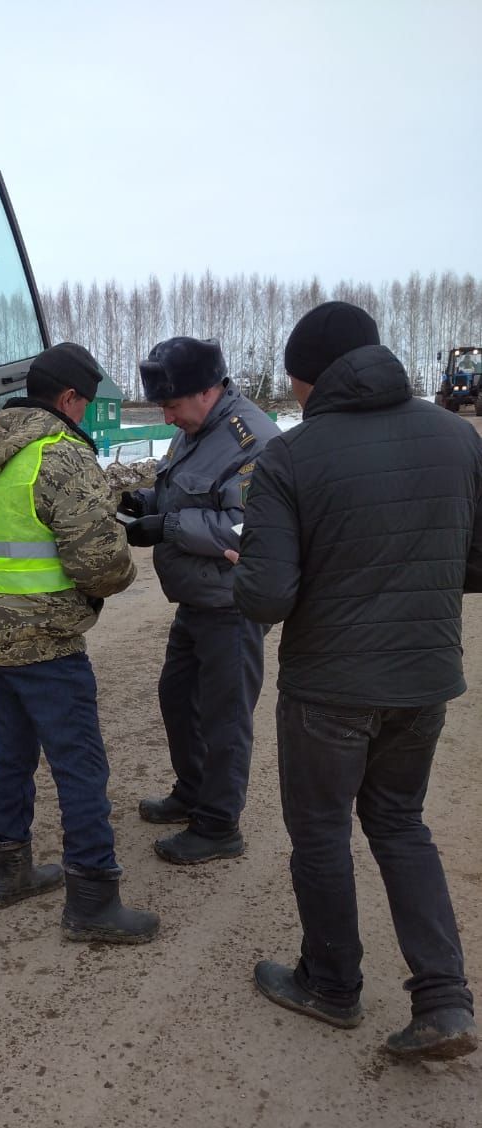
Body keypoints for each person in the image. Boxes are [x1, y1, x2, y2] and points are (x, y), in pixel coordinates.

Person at [233, 300, 482, 1061]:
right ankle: (444, 1001)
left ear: (310, 379)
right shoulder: (457, 439)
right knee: (401, 825)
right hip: (423, 679)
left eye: (294, 384)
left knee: (319, 834)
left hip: (328, 690)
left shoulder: (289, 457)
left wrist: (248, 568)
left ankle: (331, 985)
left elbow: (267, 597)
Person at [0, 343, 159, 944]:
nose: (88, 416)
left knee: (11, 757)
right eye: (86, 405)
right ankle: (93, 899)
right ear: (68, 399)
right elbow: (103, 566)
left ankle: (7, 871)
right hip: (48, 642)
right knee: (79, 769)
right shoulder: (58, 459)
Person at [121, 338, 279, 865]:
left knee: (225, 715)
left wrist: (167, 526)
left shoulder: (250, 439)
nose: (166, 418)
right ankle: (193, 792)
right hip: (196, 600)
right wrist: (143, 503)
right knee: (177, 697)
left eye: (171, 406)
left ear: (208, 391)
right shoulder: (195, 429)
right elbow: (187, 493)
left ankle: (219, 824)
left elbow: (247, 527)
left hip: (230, 607)